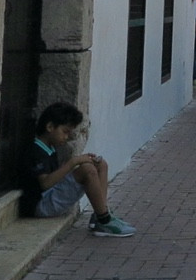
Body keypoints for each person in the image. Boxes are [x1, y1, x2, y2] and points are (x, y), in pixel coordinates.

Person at [19, 101, 135, 237]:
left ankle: (102, 214)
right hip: (40, 205)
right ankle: (104, 220)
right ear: (50, 127)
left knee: (100, 164)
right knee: (87, 170)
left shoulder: (50, 147)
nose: (66, 137)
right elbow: (45, 184)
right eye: (65, 132)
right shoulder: (35, 151)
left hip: (50, 196)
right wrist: (74, 162)